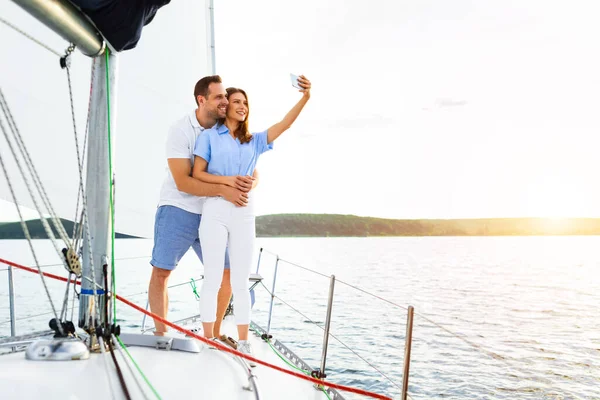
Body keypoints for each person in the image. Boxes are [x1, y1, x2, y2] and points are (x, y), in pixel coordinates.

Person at [192, 76, 312, 364]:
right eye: (236, 102)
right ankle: (209, 338)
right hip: (215, 210)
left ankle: (244, 343)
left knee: (241, 281)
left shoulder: (255, 141)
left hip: (244, 212)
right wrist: (229, 181)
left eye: (245, 103)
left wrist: (305, 97)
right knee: (212, 278)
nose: (242, 106)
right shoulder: (209, 136)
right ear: (226, 107)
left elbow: (285, 124)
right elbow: (198, 173)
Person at [148, 75, 256, 344]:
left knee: (229, 272)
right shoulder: (181, 130)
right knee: (162, 271)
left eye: (225, 97)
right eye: (219, 97)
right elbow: (183, 181)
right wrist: (223, 189)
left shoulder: (226, 129)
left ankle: (215, 333)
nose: (225, 101)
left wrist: (247, 185)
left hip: (214, 213)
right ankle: (161, 334)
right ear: (202, 100)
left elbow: (252, 168)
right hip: (178, 208)